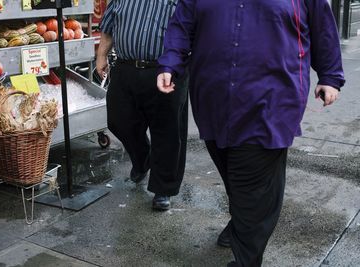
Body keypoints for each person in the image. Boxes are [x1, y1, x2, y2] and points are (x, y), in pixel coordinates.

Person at [157, 0, 344, 266]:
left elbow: (323, 27)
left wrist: (330, 76)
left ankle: (247, 258)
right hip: (214, 101)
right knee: (233, 174)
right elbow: (181, 26)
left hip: (272, 103)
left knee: (253, 187)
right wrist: (170, 64)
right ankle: (241, 223)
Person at [97, 0, 188, 211]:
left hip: (167, 70)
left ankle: (163, 188)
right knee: (119, 121)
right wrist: (101, 55)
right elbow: (109, 26)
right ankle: (142, 160)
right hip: (126, 67)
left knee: (167, 131)